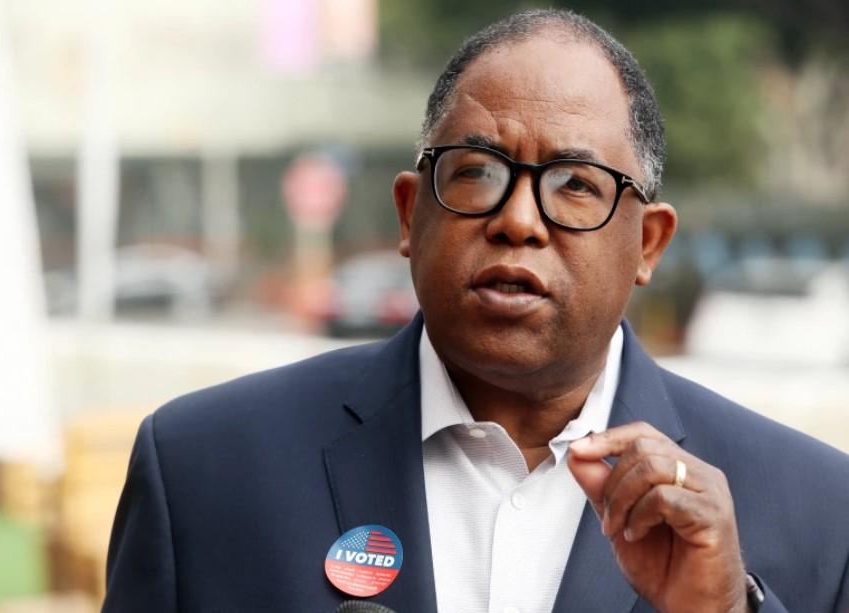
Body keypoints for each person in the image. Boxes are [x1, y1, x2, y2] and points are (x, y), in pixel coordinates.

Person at [102, 9, 849, 613]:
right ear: (407, 213)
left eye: (575, 184)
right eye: (476, 171)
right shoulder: (204, 468)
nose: (518, 220)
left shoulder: (815, 510)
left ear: (647, 243)